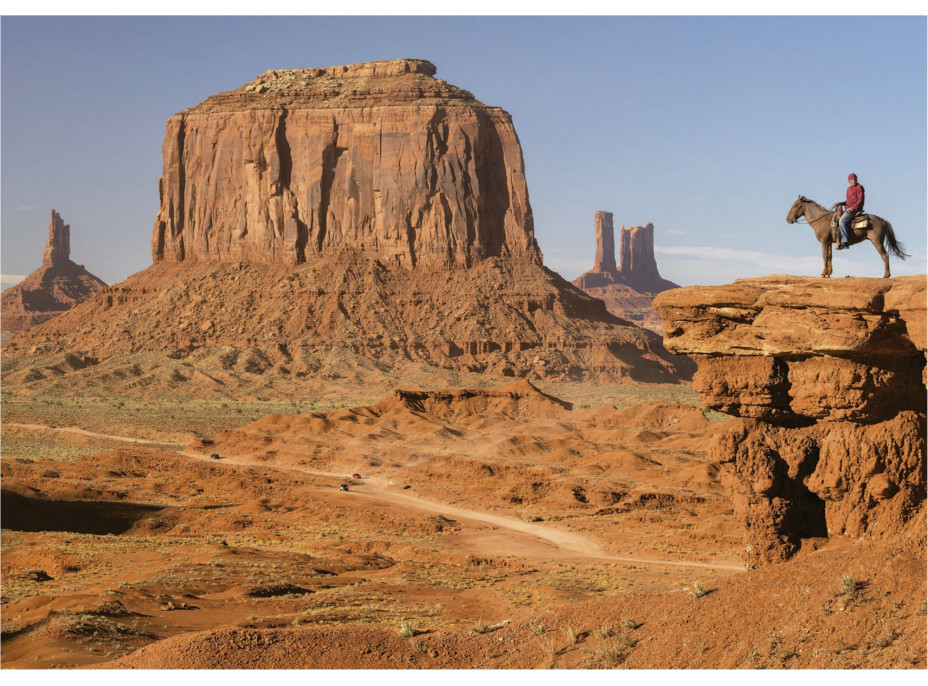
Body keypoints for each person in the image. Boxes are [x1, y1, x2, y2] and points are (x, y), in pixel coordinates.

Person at [834, 173, 865, 250]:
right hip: (848, 208)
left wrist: (852, 209)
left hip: (855, 208)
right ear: (849, 181)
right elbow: (848, 201)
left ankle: (845, 242)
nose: (853, 180)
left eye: (855, 179)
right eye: (852, 179)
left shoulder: (859, 187)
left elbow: (860, 201)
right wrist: (840, 203)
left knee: (842, 221)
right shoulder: (848, 189)